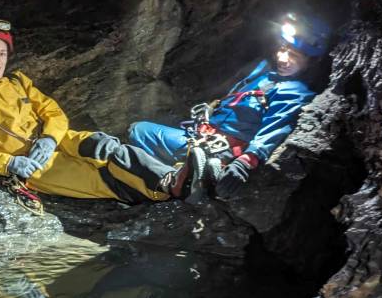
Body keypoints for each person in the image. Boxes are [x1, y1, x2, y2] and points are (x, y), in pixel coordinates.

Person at [0, 19, 205, 205]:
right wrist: (10, 163)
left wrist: (50, 138)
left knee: (107, 147)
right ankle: (169, 188)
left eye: (2, 53)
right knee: (99, 177)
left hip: (55, 141)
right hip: (31, 165)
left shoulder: (18, 81)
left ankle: (173, 179)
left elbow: (53, 111)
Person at [129, 12, 330, 199]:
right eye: (283, 49)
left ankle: (187, 177)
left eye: (294, 55)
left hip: (220, 149)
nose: (282, 58)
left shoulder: (294, 92)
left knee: (140, 133)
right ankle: (186, 173)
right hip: (201, 134)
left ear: (310, 62)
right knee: (141, 131)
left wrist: (245, 162)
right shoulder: (264, 71)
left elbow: (275, 129)